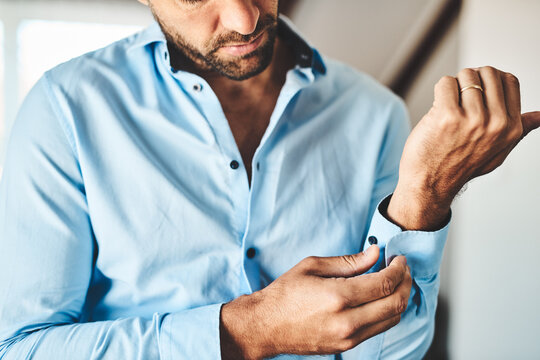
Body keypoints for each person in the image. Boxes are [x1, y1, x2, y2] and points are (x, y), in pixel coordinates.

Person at [0, 1, 538, 359]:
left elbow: (391, 356)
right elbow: (22, 349)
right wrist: (249, 328)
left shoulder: (374, 114)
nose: (244, 17)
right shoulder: (66, 109)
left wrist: (427, 191)